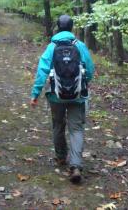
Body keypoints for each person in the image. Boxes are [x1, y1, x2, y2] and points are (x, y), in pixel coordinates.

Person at [30, 14, 95, 183]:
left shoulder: (51, 47)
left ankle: (60, 157)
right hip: (78, 96)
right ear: (72, 28)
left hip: (55, 95)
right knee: (76, 129)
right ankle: (75, 165)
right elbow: (90, 70)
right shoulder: (79, 46)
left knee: (58, 125)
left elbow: (41, 72)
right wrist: (81, 84)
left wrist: (35, 94)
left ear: (57, 28)